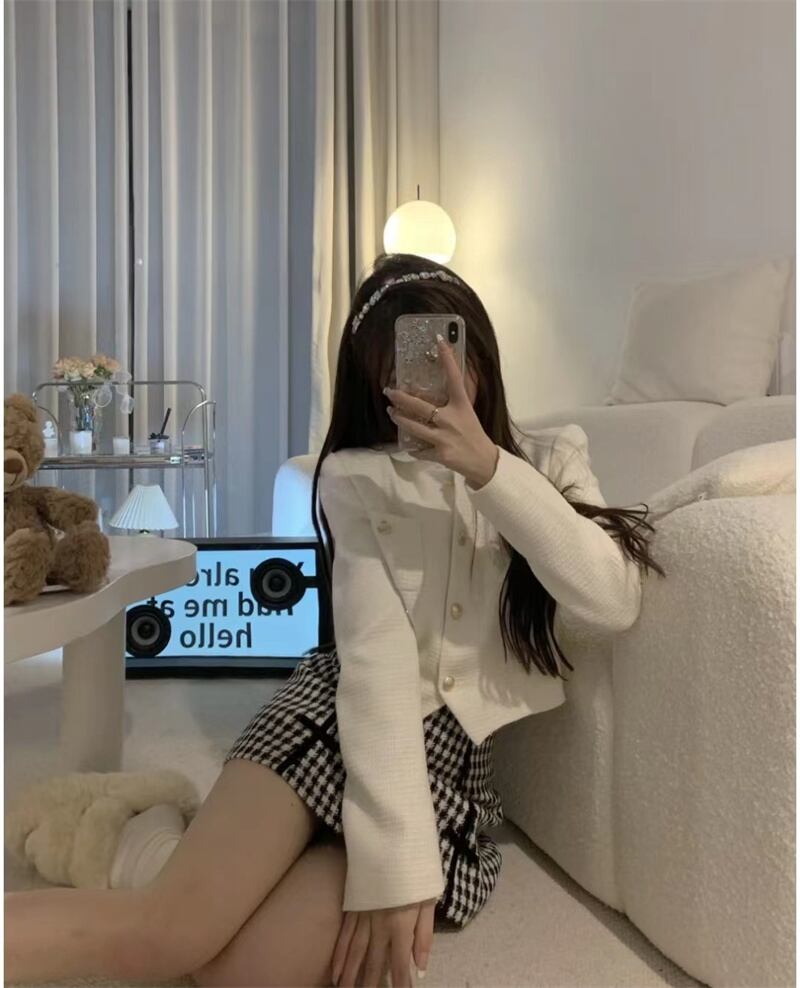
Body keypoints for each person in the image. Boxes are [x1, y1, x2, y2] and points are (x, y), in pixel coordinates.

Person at [4, 253, 664, 988]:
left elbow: (613, 598)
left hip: (448, 769)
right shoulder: (357, 478)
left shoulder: (549, 457)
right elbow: (375, 668)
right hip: (330, 716)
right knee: (171, 936)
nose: (429, 385)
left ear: (476, 350)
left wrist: (487, 468)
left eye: (446, 358)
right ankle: (165, 855)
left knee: (246, 972)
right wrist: (398, 860)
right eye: (401, 370)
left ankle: (159, 844)